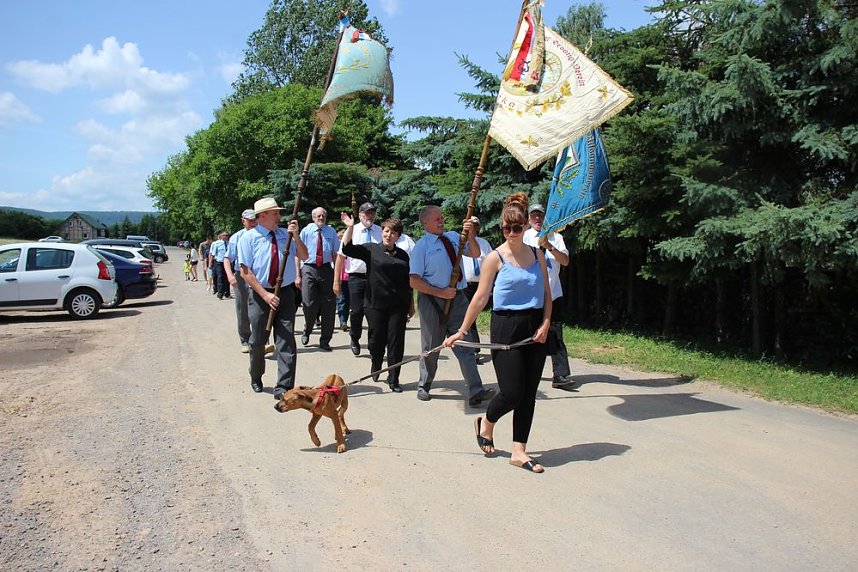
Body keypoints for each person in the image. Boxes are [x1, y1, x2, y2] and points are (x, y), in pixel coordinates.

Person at [444, 193, 551, 473]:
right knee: (513, 392)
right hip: (506, 326)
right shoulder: (495, 257)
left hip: (536, 326)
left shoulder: (538, 255)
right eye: (507, 228)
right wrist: (462, 331)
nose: (512, 233)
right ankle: (487, 423)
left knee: (529, 394)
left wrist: (546, 323)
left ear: (526, 226)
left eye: (517, 228)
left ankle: (519, 450)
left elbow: (548, 294)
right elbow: (480, 298)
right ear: (502, 227)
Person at [409, 205, 494, 406]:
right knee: (432, 346)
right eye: (436, 219)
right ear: (425, 223)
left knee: (464, 343)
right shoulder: (422, 247)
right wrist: (440, 292)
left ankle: (475, 390)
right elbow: (414, 281)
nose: (441, 221)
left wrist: (470, 235)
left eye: (442, 217)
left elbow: (474, 253)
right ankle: (424, 385)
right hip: (432, 301)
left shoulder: (453, 237)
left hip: (457, 299)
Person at [237, 197, 308, 399]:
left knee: (286, 340)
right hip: (261, 294)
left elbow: (304, 256)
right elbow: (245, 272)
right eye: (275, 212)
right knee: (258, 340)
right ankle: (256, 375)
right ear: (262, 216)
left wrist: (296, 237)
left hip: (285, 293)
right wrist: (266, 294)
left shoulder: (285, 235)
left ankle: (284, 387)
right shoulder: (248, 238)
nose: (279, 216)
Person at [341, 212, 414, 393]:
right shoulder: (371, 249)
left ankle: (394, 378)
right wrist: (350, 227)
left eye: (394, 233)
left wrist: (411, 303)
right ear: (382, 232)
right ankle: (376, 362)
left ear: (398, 236)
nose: (389, 235)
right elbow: (347, 249)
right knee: (376, 339)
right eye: (387, 231)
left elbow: (407, 282)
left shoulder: (404, 255)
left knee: (396, 342)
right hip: (375, 303)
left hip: (398, 304)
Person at [523, 203, 574, 388]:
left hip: (553, 294)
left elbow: (565, 261)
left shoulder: (556, 238)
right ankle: (526, 372)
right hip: (531, 295)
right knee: (530, 334)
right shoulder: (525, 237)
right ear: (528, 219)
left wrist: (549, 246)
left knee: (556, 334)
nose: (538, 219)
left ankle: (560, 375)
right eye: (534, 216)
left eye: (540, 216)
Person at [338, 202, 381, 356]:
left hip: (375, 278)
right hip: (356, 277)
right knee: (356, 311)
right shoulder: (353, 230)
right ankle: (355, 337)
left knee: (374, 312)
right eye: (367, 213)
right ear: (361, 214)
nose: (370, 216)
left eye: (372, 213)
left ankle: (373, 344)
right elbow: (341, 255)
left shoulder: (380, 231)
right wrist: (336, 281)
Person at [296, 207, 339, 351]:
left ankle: (325, 340)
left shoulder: (331, 232)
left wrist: (337, 277)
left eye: (323, 216)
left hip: (326, 269)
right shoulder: (306, 231)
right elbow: (298, 253)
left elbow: (335, 254)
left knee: (329, 306)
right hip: (309, 268)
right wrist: (298, 275)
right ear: (313, 217)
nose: (321, 218)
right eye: (318, 216)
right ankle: (307, 329)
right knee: (308, 303)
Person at [225, 209, 258, 353]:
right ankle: (245, 340)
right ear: (243, 220)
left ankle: (261, 340)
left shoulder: (261, 234)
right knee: (242, 308)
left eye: (254, 220)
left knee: (259, 308)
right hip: (241, 274)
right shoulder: (236, 237)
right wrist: (230, 276)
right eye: (249, 220)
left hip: (257, 275)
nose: (252, 223)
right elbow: (227, 258)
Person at [460, 216, 492, 347]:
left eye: (473, 225)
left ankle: (471, 345)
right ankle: (473, 347)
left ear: (477, 227)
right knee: (468, 313)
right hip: (465, 284)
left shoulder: (484, 243)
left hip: (480, 284)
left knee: (472, 314)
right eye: (468, 224)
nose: (470, 227)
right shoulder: (460, 242)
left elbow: (490, 262)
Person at [333, 229, 350, 332]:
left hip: (351, 278)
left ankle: (345, 320)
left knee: (348, 302)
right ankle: (343, 322)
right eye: (340, 238)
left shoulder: (351, 249)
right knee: (341, 300)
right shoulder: (338, 252)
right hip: (341, 278)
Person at [210, 231, 231, 299]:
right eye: (225, 235)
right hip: (219, 262)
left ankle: (227, 292)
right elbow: (213, 254)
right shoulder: (217, 244)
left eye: (227, 235)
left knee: (228, 277)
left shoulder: (230, 244)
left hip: (228, 262)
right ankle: (220, 292)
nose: (227, 236)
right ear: (221, 236)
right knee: (220, 277)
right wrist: (210, 262)